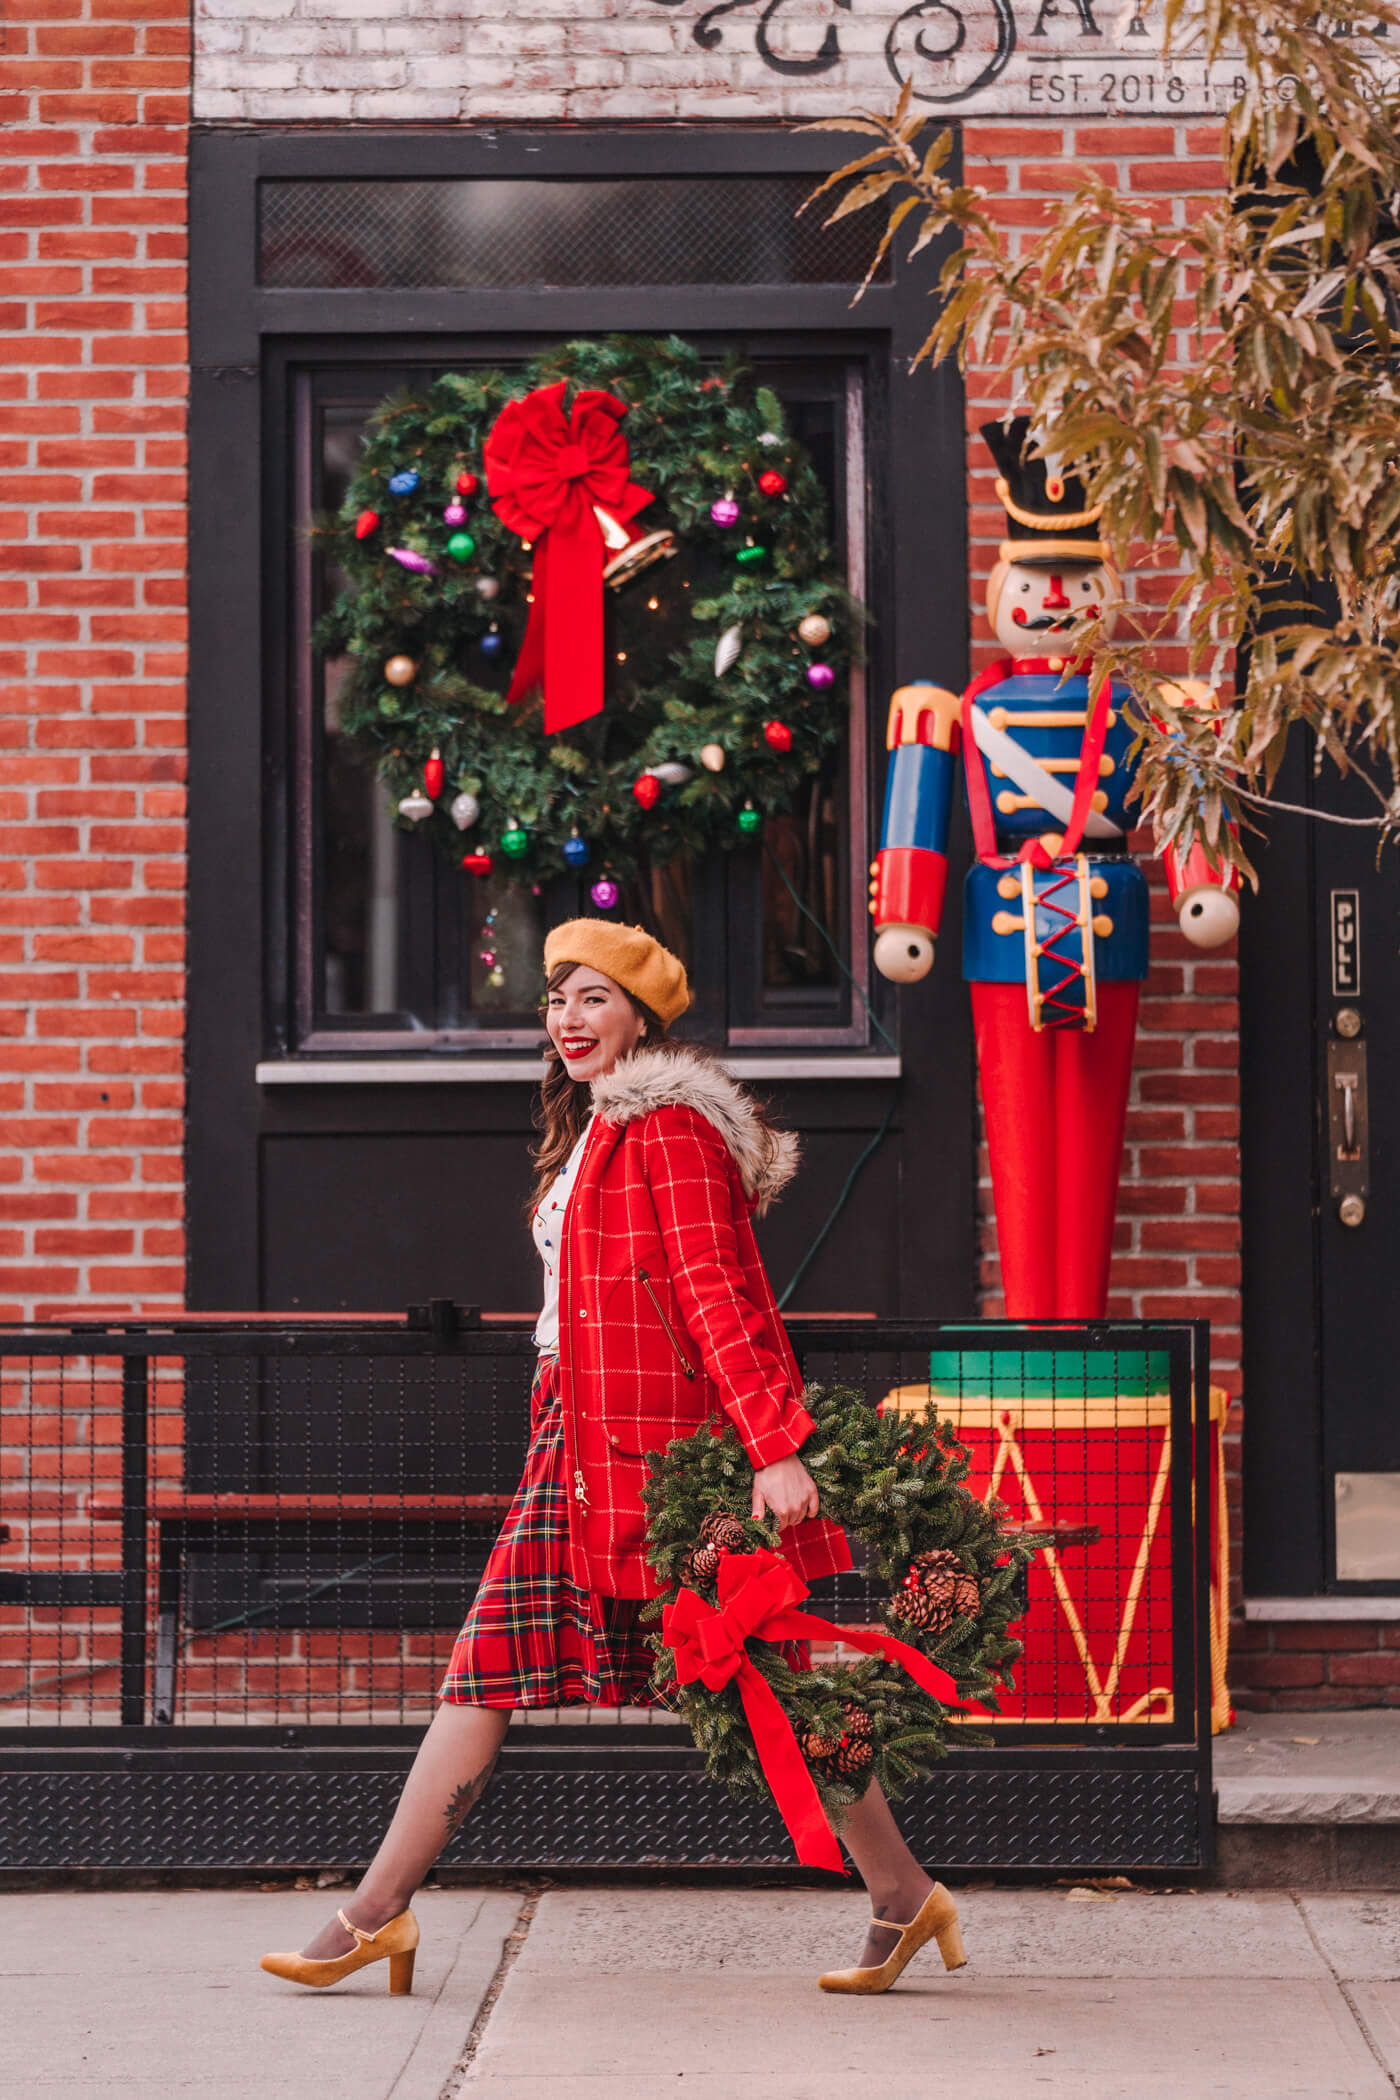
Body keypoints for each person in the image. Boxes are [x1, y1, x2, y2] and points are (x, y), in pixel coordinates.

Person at [260, 918, 965, 1998]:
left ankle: (902, 1895)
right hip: (580, 1438)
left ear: (643, 1016)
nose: (567, 1020)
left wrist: (773, 1445)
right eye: (555, 999)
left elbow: (716, 1295)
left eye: (593, 998)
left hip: (660, 1457)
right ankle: (376, 1912)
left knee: (755, 1679)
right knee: (504, 1664)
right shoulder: (597, 1130)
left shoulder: (669, 1129)